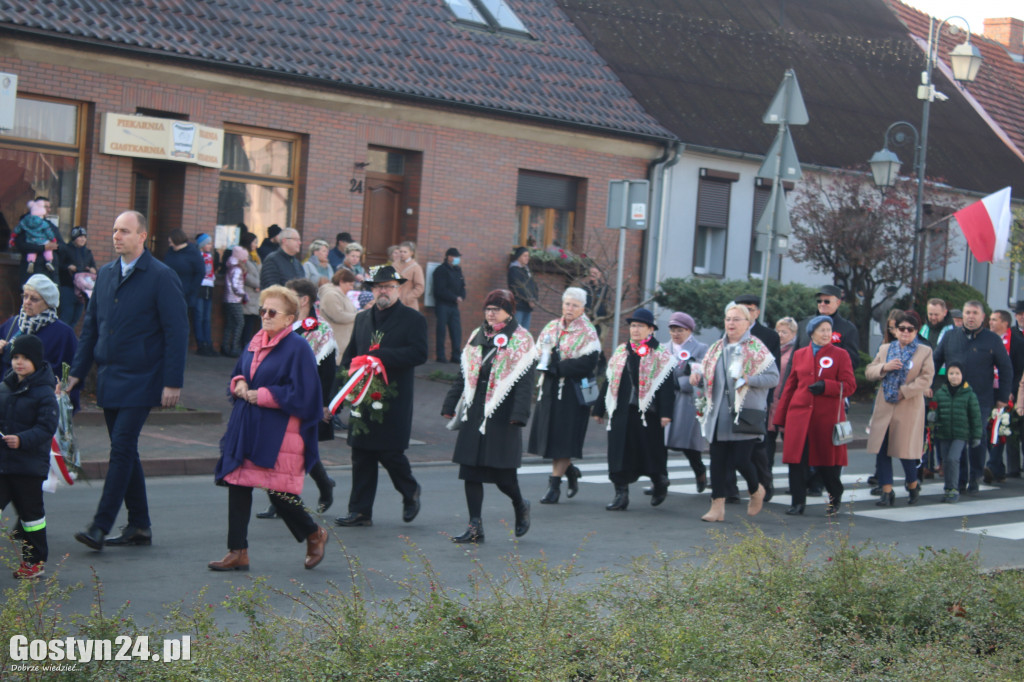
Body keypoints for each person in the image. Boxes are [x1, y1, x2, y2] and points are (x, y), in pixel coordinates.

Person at [67, 210, 189, 551]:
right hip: (109, 377)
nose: (116, 236)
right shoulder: (105, 274)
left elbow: (177, 331)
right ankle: (139, 526)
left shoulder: (161, 276)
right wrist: (78, 371)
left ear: (142, 237)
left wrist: (172, 381)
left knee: (120, 450)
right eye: (114, 230)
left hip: (143, 377)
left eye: (124, 231)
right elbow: (91, 327)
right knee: (126, 450)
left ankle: (99, 525)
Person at [209, 285, 328, 572]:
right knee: (238, 483)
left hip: (279, 431)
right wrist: (238, 382)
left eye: (272, 312)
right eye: (263, 310)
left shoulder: (297, 348)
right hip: (248, 426)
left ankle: (313, 534)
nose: (265, 315)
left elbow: (305, 394)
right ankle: (237, 551)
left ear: (289, 319)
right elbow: (243, 369)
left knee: (279, 491)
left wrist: (262, 395)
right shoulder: (256, 339)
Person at [335, 265, 427, 527]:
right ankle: (360, 511)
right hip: (363, 396)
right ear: (372, 290)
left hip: (393, 397)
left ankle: (410, 491)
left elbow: (419, 354)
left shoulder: (413, 319)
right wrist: (337, 395)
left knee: (389, 453)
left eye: (388, 286)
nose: (382, 291)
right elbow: (350, 356)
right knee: (361, 453)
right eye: (378, 287)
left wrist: (382, 357)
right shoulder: (363, 318)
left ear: (398, 288)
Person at [441, 290, 536, 543]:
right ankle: (475, 527)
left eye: (497, 309)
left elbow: (525, 382)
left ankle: (520, 504)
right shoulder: (477, 335)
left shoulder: (522, 339)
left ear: (510, 311)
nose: (491, 313)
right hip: (475, 409)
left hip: (503, 412)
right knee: (470, 471)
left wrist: (519, 414)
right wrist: (451, 402)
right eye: (488, 308)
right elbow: (465, 372)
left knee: (504, 475)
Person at [252, 278, 338, 520]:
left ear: (303, 300)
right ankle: (295, 495)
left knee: (293, 450)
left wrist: (323, 404)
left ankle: (301, 493)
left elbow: (327, 371)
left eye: (288, 296)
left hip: (303, 400)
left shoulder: (320, 330)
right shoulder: (278, 324)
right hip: (276, 396)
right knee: (281, 449)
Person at [690, 302, 778, 522]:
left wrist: (750, 379)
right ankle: (717, 507)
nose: (731, 323)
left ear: (748, 323)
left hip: (745, 412)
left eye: (736, 319)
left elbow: (773, 378)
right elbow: (708, 377)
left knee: (740, 459)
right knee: (717, 461)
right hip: (718, 412)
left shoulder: (756, 347)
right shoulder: (716, 347)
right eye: (728, 319)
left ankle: (756, 489)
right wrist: (698, 379)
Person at [772, 315, 856, 516]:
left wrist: (827, 386)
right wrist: (780, 417)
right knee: (797, 461)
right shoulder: (800, 354)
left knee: (828, 463)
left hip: (826, 418)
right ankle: (797, 502)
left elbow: (850, 386)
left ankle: (835, 497)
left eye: (829, 330)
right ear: (812, 334)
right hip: (799, 416)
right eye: (822, 330)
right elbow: (790, 386)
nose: (827, 334)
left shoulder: (841, 354)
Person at [593, 308, 676, 511]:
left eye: (640, 326)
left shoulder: (660, 354)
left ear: (650, 329)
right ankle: (621, 494)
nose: (635, 329)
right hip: (621, 411)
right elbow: (609, 380)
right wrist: (599, 408)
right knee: (618, 451)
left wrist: (666, 413)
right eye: (632, 325)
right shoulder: (622, 350)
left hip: (648, 413)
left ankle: (659, 481)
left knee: (649, 451)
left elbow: (667, 386)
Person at [528, 287, 601, 504]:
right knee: (550, 437)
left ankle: (554, 486)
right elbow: (538, 351)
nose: (569, 309)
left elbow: (588, 363)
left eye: (575, 305)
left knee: (564, 438)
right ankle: (570, 471)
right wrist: (544, 362)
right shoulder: (552, 326)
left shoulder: (588, 331)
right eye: (567, 304)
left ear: (582, 308)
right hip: (550, 389)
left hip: (573, 392)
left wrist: (558, 367)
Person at [932, 301, 1012, 492]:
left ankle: (975, 475)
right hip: (953, 397)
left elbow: (1006, 367)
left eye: (975, 313)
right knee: (957, 435)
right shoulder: (951, 336)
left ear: (983, 317)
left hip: (981, 398)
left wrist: (1002, 396)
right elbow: (935, 360)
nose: (970, 316)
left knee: (977, 435)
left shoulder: (992, 339)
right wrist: (928, 385)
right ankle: (959, 478)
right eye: (967, 312)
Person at [0, 334, 60, 579]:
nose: (19, 362)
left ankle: (34, 562)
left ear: (36, 361)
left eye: (25, 358)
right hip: (3, 465)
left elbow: (46, 428)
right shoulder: (4, 388)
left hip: (28, 467)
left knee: (31, 518)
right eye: (15, 357)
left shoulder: (45, 393)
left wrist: (22, 439)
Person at [865, 311, 935, 506]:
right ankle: (886, 492)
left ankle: (912, 484)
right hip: (885, 404)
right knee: (883, 449)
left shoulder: (924, 351)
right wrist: (884, 367)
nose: (905, 332)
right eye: (901, 328)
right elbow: (870, 371)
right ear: (895, 330)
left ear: (916, 332)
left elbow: (926, 378)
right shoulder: (886, 349)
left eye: (909, 329)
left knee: (905, 451)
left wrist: (905, 391)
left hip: (908, 405)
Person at [0, 275, 79, 409]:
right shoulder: (13, 324)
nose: (27, 302)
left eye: (34, 299)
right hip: (7, 402)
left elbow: (70, 370)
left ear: (48, 302)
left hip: (40, 405)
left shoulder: (63, 333)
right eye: (25, 296)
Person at [733, 294, 781, 501]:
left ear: (757, 312)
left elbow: (773, 371)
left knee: (757, 445)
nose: (744, 313)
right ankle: (728, 488)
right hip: (731, 396)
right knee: (729, 443)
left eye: (749, 309)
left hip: (757, 396)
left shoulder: (768, 335)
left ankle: (764, 482)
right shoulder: (729, 332)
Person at [664, 312, 708, 492]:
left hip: (686, 401)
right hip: (666, 399)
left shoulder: (700, 348)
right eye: (673, 330)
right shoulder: (663, 348)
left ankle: (699, 471)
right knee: (660, 443)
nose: (676, 334)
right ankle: (660, 480)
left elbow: (701, 375)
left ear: (689, 330)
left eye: (680, 330)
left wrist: (680, 382)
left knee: (689, 446)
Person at [933, 362, 982, 503]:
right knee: (946, 462)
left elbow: (975, 416)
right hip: (944, 433)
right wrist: (932, 417)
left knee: (953, 459)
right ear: (947, 375)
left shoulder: (969, 394)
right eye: (951, 373)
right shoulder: (941, 393)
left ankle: (954, 489)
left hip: (961, 434)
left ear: (963, 375)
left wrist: (976, 435)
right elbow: (934, 409)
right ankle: (948, 488)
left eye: (957, 373)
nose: (954, 377)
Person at [985, 309, 1024, 484]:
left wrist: (1011, 390)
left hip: (1006, 392)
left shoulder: (1017, 342)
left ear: (1005, 323)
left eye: (994, 319)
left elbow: (1018, 371)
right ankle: (997, 468)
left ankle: (993, 465)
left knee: (1000, 427)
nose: (990, 322)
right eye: (990, 319)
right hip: (987, 390)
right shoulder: (986, 338)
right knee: (988, 429)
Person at [796, 285, 860, 370]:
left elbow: (852, 362)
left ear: (838, 303)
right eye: (819, 301)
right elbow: (793, 359)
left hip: (830, 380)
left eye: (827, 301)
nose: (822, 304)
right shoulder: (804, 324)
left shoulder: (848, 329)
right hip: (804, 380)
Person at [163, 229, 205, 352]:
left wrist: (191, 290)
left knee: (180, 323)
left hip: (185, 294)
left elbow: (200, 272)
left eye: (171, 242)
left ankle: (179, 348)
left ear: (177, 241)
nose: (170, 244)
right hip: (169, 292)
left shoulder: (193, 253)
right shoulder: (171, 252)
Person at [766, 317, 798, 469]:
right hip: (771, 401)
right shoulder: (772, 348)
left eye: (784, 332)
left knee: (790, 442)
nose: (780, 335)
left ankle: (797, 478)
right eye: (778, 331)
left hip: (787, 403)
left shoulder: (795, 351)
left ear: (793, 333)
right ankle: (766, 478)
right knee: (768, 442)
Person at [57, 226, 96, 328]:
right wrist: (68, 267)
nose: (83, 239)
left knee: (76, 319)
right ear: (74, 238)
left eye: (84, 237)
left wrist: (92, 270)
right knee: (66, 318)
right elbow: (58, 266)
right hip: (68, 287)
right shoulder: (65, 249)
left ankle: (68, 342)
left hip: (82, 291)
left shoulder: (88, 252)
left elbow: (94, 268)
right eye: (80, 237)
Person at [319, 268, 359, 366]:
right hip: (336, 346)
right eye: (350, 285)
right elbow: (338, 316)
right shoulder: (331, 295)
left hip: (343, 345)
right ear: (341, 282)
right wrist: (358, 316)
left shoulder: (340, 295)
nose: (351, 288)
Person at [13, 198, 61, 283]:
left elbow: (62, 245)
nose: (49, 210)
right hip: (31, 274)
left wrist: (55, 246)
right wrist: (44, 247)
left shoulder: (50, 225)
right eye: (46, 207)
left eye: (49, 207)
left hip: (50, 275)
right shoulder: (25, 224)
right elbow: (21, 245)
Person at [432, 247, 466, 363]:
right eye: (456, 257)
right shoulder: (441, 270)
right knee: (441, 331)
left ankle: (456, 355)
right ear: (449, 257)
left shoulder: (458, 270)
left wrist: (462, 296)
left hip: (454, 306)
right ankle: (440, 356)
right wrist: (454, 297)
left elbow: (462, 286)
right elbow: (440, 290)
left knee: (456, 331)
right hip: (443, 305)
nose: (457, 259)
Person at [221, 246, 248, 358]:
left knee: (231, 324)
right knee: (240, 323)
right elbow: (236, 286)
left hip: (228, 299)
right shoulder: (237, 269)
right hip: (234, 300)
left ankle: (225, 346)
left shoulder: (231, 267)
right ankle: (234, 348)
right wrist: (244, 294)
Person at [194, 234, 217, 356]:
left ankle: (208, 343)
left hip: (209, 287)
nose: (210, 246)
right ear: (202, 245)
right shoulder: (198, 257)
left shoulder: (210, 256)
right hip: (201, 287)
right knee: (199, 316)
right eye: (208, 243)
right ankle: (200, 343)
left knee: (207, 318)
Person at [507, 247, 538, 331]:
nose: (527, 258)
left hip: (528, 306)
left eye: (528, 256)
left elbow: (533, 285)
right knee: (517, 331)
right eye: (525, 255)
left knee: (525, 332)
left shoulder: (527, 270)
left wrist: (535, 299)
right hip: (519, 306)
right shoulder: (514, 270)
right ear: (519, 256)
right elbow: (517, 287)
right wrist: (529, 299)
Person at [240, 232, 262, 348]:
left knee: (252, 321)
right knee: (245, 322)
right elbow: (245, 274)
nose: (256, 245)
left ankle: (248, 344)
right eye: (254, 242)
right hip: (248, 293)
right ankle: (243, 344)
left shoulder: (256, 257)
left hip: (256, 295)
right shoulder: (243, 255)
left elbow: (260, 272)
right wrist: (258, 284)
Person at [393, 241, 425, 311]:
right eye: (401, 251)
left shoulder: (416, 267)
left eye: (405, 252)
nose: (402, 254)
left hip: (408, 304)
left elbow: (420, 287)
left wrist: (408, 298)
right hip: (393, 302)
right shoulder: (395, 265)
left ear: (411, 253)